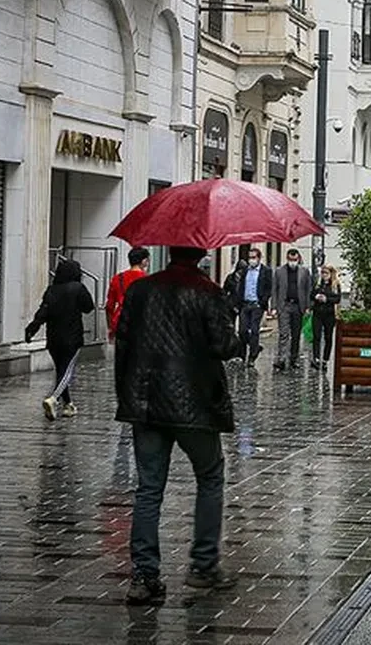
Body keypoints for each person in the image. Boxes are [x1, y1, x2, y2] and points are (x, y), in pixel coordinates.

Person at [115, 246, 245, 605]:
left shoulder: (140, 290)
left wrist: (126, 396)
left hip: (146, 402)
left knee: (148, 488)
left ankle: (144, 575)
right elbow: (223, 345)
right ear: (201, 253)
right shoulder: (207, 292)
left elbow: (123, 342)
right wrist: (235, 332)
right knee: (210, 476)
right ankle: (203, 565)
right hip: (195, 404)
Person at [26, 258, 95, 420]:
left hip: (54, 339)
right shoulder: (78, 288)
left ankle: (68, 405)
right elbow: (89, 307)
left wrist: (31, 330)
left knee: (61, 371)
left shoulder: (52, 290)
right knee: (67, 372)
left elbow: (42, 313)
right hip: (72, 338)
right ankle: (53, 398)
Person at [272, 249, 312, 372]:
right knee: (284, 333)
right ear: (287, 258)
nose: (292, 262)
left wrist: (308, 306)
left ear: (298, 258)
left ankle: (294, 359)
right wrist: (274, 307)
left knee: (296, 335)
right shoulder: (279, 272)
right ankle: (282, 359)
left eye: (294, 260)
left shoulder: (304, 272)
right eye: (290, 259)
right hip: (284, 305)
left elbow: (308, 289)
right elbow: (275, 290)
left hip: (299, 306)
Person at [230, 247, 271, 367]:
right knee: (242, 331)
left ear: (259, 258)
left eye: (253, 257)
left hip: (257, 305)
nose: (251, 260)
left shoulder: (266, 271)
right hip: (245, 304)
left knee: (254, 330)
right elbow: (241, 287)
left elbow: (268, 288)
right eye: (250, 257)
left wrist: (263, 301)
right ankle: (250, 350)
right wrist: (238, 303)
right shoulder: (245, 271)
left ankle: (252, 357)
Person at [106, 247, 150, 341]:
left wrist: (110, 327)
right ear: (144, 261)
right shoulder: (148, 280)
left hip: (120, 320)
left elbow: (110, 306)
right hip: (141, 322)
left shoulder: (118, 278)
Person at [310, 265, 341, 372]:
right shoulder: (318, 284)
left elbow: (337, 298)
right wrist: (316, 297)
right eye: (322, 273)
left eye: (326, 273)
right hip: (317, 313)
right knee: (316, 336)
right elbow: (311, 294)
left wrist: (326, 299)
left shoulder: (335, 285)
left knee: (328, 337)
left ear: (331, 274)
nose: (324, 275)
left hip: (329, 314)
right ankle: (316, 358)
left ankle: (325, 360)